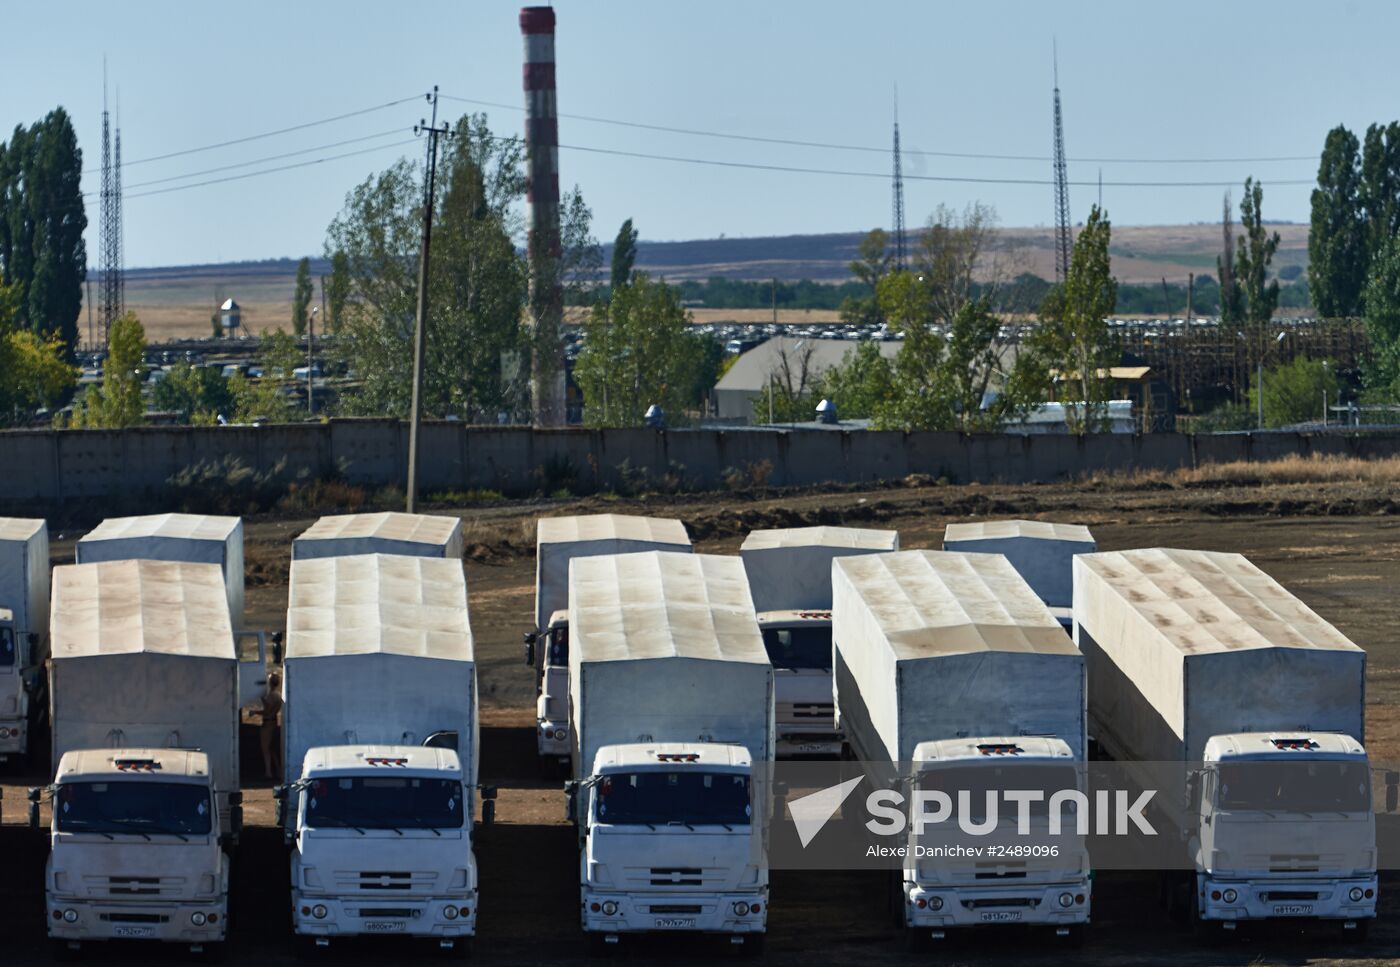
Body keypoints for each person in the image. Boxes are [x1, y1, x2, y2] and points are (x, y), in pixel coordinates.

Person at [260, 672, 283, 781]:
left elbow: (267, 710)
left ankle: (268, 772)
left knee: (266, 748)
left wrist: (255, 712)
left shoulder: (272, 695)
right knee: (272, 748)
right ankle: (278, 770)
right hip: (273, 722)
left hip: (268, 723)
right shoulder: (278, 695)